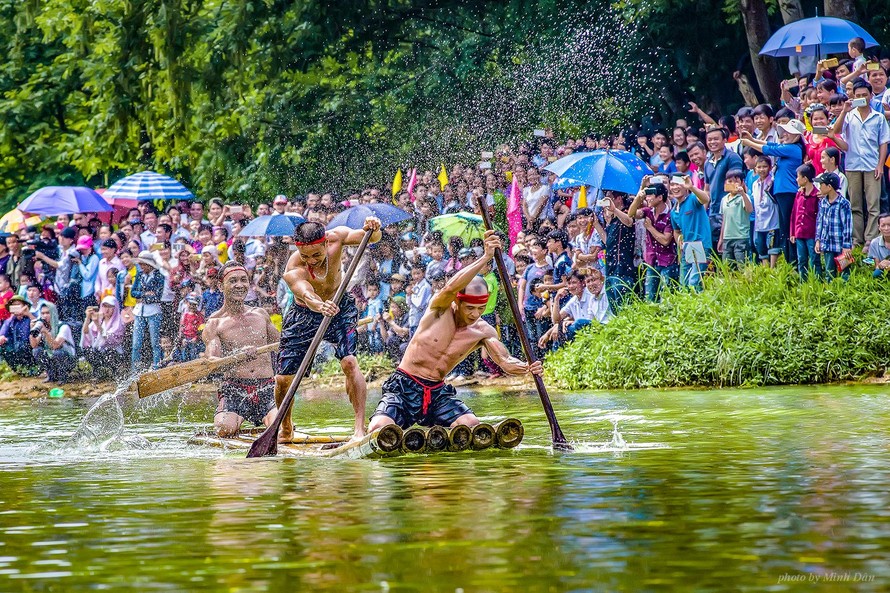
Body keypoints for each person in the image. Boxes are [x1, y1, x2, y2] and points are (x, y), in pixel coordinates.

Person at [368, 230, 542, 432]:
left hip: (437, 392)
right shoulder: (439, 309)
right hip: (405, 386)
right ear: (457, 302)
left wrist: (529, 367)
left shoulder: (483, 331)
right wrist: (485, 258)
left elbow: (505, 362)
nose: (475, 314)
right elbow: (451, 287)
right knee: (380, 427)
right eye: (470, 308)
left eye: (480, 308)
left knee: (470, 425)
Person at [276, 217, 382, 443]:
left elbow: (371, 238)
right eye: (306, 256)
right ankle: (285, 428)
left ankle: (359, 429)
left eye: (316, 254)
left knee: (349, 362)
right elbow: (304, 292)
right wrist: (317, 304)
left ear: (326, 243)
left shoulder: (338, 237)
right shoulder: (293, 267)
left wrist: (374, 228)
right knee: (283, 379)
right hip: (304, 314)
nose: (311, 261)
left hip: (340, 307)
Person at [202, 261, 280, 437]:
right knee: (224, 430)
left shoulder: (261, 315)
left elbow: (282, 344)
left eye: (244, 280)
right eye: (233, 281)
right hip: (235, 390)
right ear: (221, 286)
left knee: (281, 429)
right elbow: (212, 361)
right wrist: (237, 356)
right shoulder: (214, 324)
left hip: (267, 388)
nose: (240, 285)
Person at [831, 80, 890, 247]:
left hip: (872, 165)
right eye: (858, 96)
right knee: (855, 205)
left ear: (871, 96)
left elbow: (883, 143)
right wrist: (844, 111)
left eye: (865, 95)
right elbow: (835, 131)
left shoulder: (878, 117)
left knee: (873, 204)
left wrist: (880, 165)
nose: (862, 98)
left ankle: (870, 240)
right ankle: (857, 240)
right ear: (853, 97)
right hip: (852, 165)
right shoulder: (849, 116)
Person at [669, 175, 712, 291]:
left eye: (678, 184)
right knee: (684, 282)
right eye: (672, 184)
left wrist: (692, 187)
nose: (675, 187)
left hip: (700, 243)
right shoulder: (673, 210)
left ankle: (699, 305)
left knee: (694, 281)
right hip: (687, 246)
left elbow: (705, 199)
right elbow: (676, 231)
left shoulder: (692, 199)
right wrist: (680, 242)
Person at [814, 172, 853, 281]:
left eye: (821, 184)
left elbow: (847, 225)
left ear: (829, 187)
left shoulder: (843, 203)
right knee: (829, 272)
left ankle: (844, 293)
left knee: (845, 272)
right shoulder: (822, 202)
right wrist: (818, 240)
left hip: (840, 245)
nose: (819, 187)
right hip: (827, 243)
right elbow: (819, 222)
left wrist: (846, 245)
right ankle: (830, 293)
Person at [130, 250, 165, 370]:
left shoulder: (159, 276)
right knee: (136, 344)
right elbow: (133, 292)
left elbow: (158, 296)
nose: (141, 266)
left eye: (143, 264)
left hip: (154, 311)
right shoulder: (139, 275)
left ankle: (157, 367)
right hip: (139, 311)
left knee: (155, 343)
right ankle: (135, 370)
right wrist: (146, 295)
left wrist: (143, 297)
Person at [80, 296, 127, 378]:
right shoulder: (100, 319)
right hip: (101, 350)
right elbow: (86, 332)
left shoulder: (119, 322)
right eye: (105, 306)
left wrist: (97, 325)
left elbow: (110, 339)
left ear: (115, 308)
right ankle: (98, 372)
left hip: (114, 351)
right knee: (89, 350)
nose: (107, 309)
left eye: (110, 306)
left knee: (109, 352)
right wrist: (88, 318)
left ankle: (115, 372)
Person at [29, 302, 76, 384]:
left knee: (57, 352)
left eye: (48, 313)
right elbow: (34, 345)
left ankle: (63, 377)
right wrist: (32, 330)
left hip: (68, 358)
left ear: (53, 313)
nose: (45, 316)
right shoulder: (43, 326)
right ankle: (51, 375)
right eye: (42, 313)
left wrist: (46, 332)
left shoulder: (63, 326)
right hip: (53, 356)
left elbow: (55, 345)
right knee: (36, 351)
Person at [790, 163, 821, 280]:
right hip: (799, 233)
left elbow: (819, 217)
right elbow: (794, 214)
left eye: (798, 176)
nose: (797, 179)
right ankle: (803, 282)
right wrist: (792, 232)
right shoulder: (799, 194)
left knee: (814, 259)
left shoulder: (817, 195)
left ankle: (817, 281)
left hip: (812, 234)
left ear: (805, 178)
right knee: (801, 259)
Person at [717, 169, 753, 267]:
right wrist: (721, 238)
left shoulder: (744, 197)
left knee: (742, 266)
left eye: (736, 181)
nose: (733, 184)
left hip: (741, 237)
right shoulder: (724, 199)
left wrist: (743, 194)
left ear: (742, 183)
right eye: (730, 181)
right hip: (727, 237)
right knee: (728, 267)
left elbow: (750, 209)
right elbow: (724, 220)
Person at [751, 156, 781, 268]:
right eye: (759, 167)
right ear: (755, 168)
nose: (762, 169)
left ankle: (773, 270)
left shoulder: (773, 182)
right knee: (761, 248)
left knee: (773, 247)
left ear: (770, 167)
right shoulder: (754, 184)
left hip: (772, 219)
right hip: (759, 221)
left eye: (765, 166)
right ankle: (765, 272)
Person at [0, 295, 36, 372]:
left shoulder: (31, 316)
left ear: (24, 306)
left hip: (29, 348)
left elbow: (38, 326)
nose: (16, 307)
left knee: (22, 345)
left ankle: (31, 368)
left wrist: (28, 314)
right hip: (15, 348)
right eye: (13, 306)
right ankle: (15, 369)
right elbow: (2, 334)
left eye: (18, 305)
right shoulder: (10, 320)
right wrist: (12, 316)